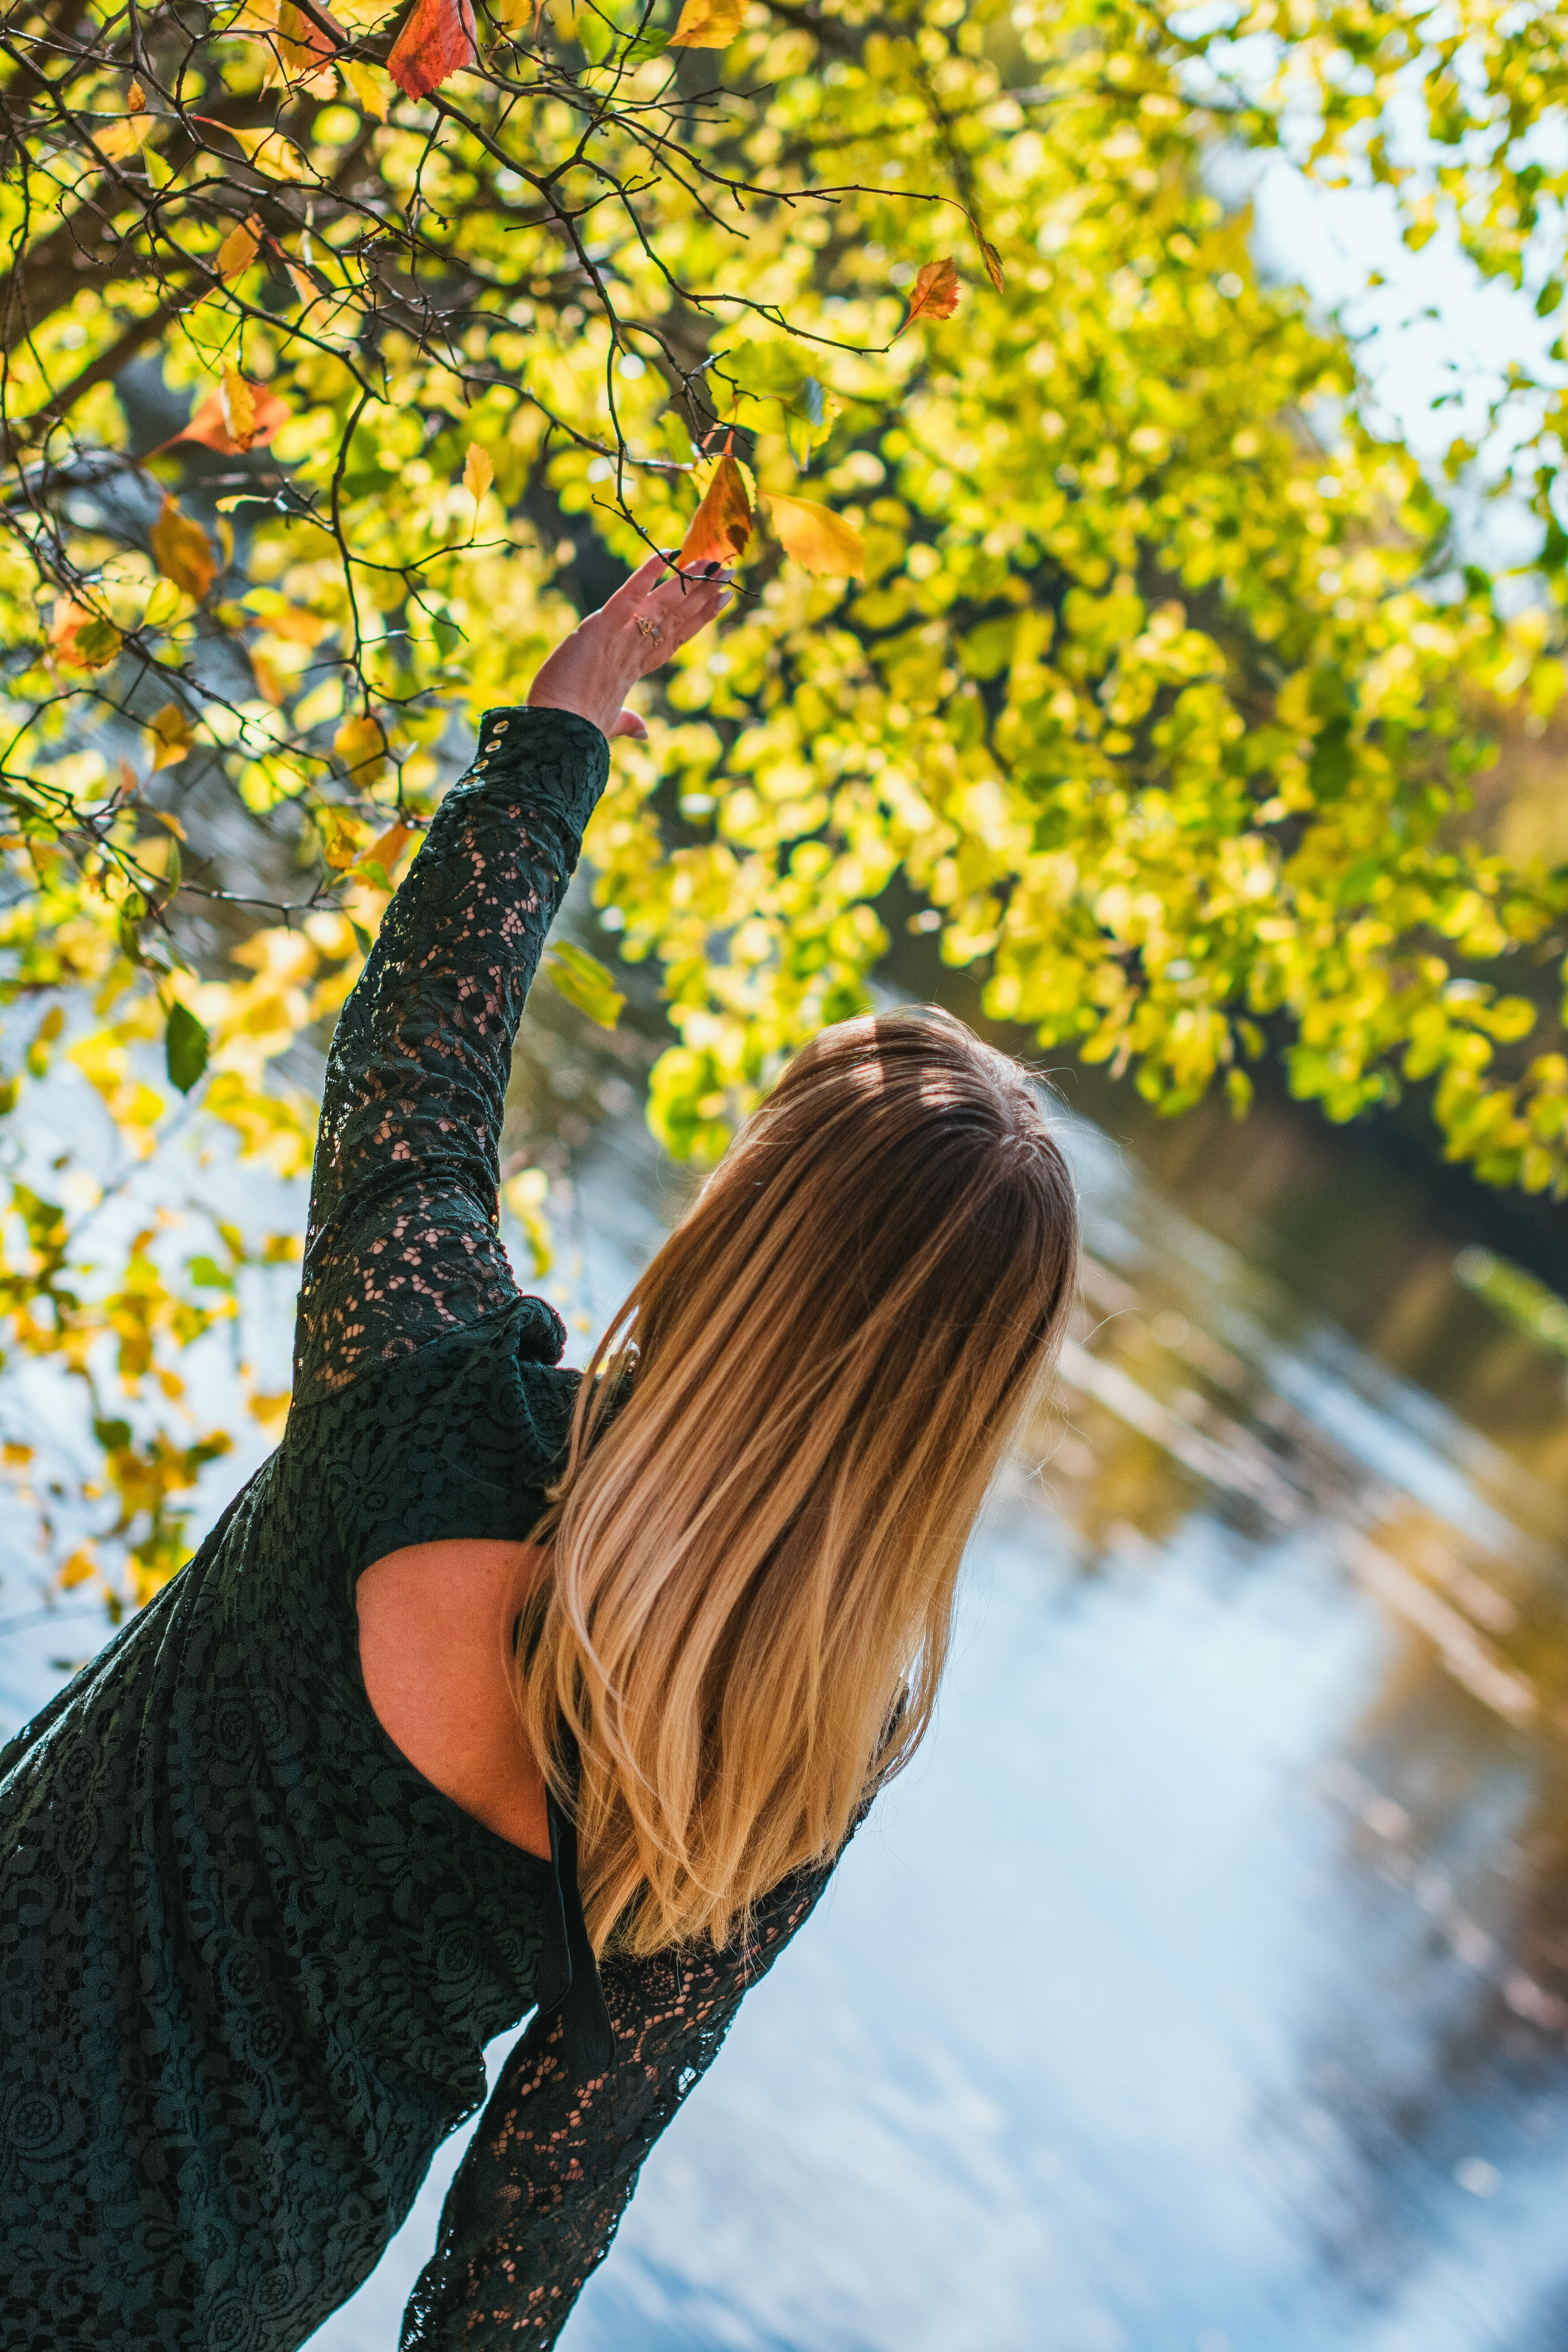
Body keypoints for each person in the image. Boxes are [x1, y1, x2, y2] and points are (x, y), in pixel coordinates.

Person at [0, 551, 1079, 2350]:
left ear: (737, 1231)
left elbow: (416, 1063)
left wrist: (559, 735)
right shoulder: (783, 1760)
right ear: (950, 1425)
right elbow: (526, 2233)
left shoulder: (424, 1393)